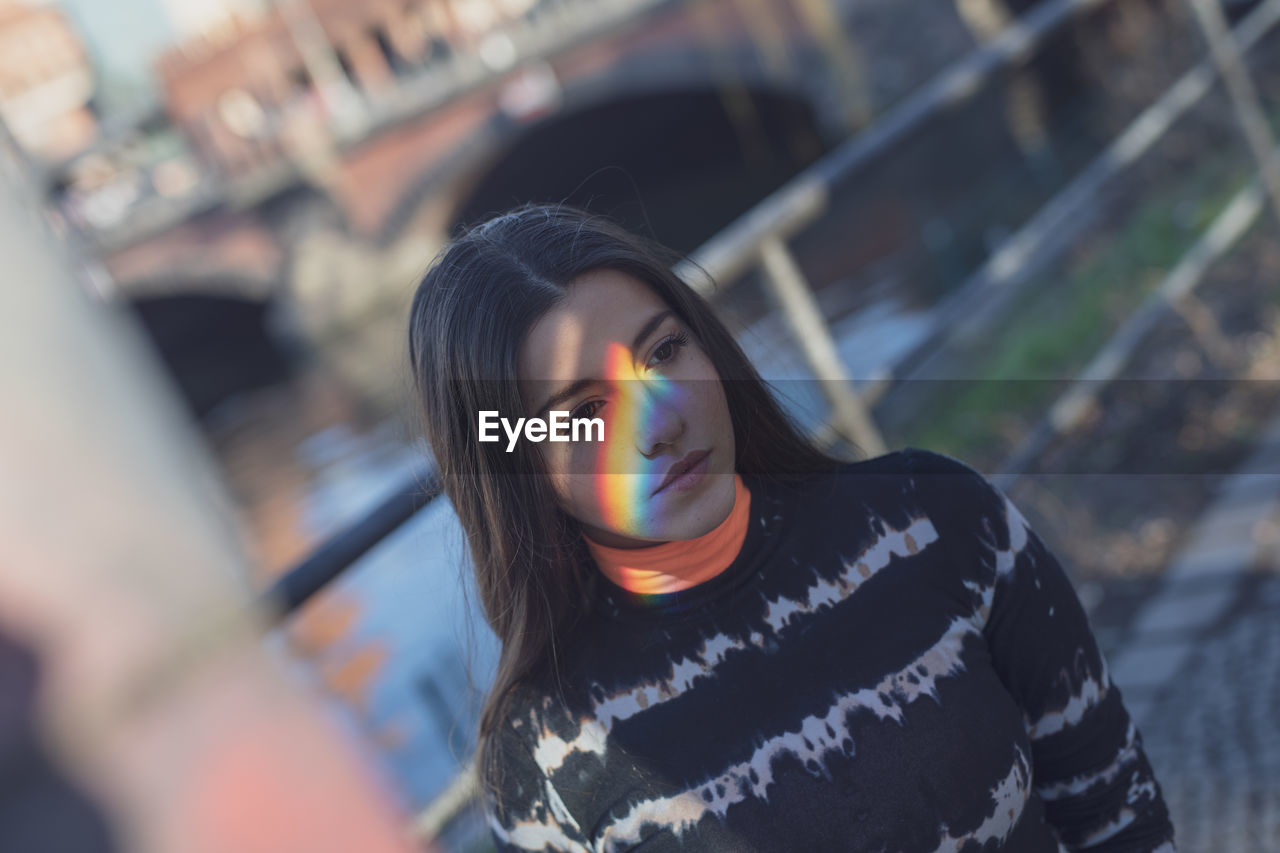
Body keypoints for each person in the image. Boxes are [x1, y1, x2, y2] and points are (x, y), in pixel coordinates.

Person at [406, 203, 1176, 852]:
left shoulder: (933, 519)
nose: (663, 423)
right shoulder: (544, 752)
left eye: (665, 350)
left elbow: (1118, 810)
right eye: (584, 412)